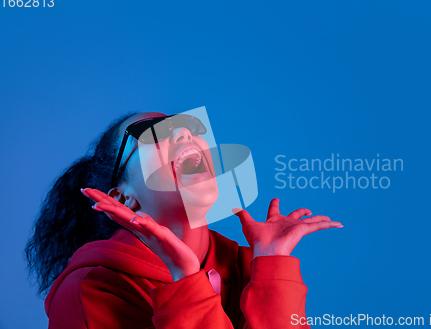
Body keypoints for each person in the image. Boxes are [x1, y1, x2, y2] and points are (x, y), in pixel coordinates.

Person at [25, 111, 343, 328]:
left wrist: (272, 263)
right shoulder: (86, 291)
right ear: (122, 197)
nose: (183, 131)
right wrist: (187, 282)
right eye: (152, 134)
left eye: (187, 124)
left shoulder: (250, 267)